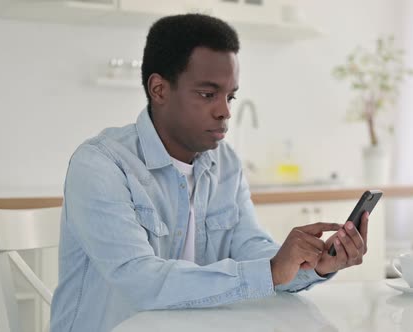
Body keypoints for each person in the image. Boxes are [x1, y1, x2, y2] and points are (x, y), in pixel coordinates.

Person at [50, 14, 370, 332]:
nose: (225, 111)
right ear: (159, 90)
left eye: (230, 96)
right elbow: (140, 281)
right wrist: (270, 271)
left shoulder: (225, 163)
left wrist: (311, 266)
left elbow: (254, 250)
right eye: (208, 94)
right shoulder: (100, 165)